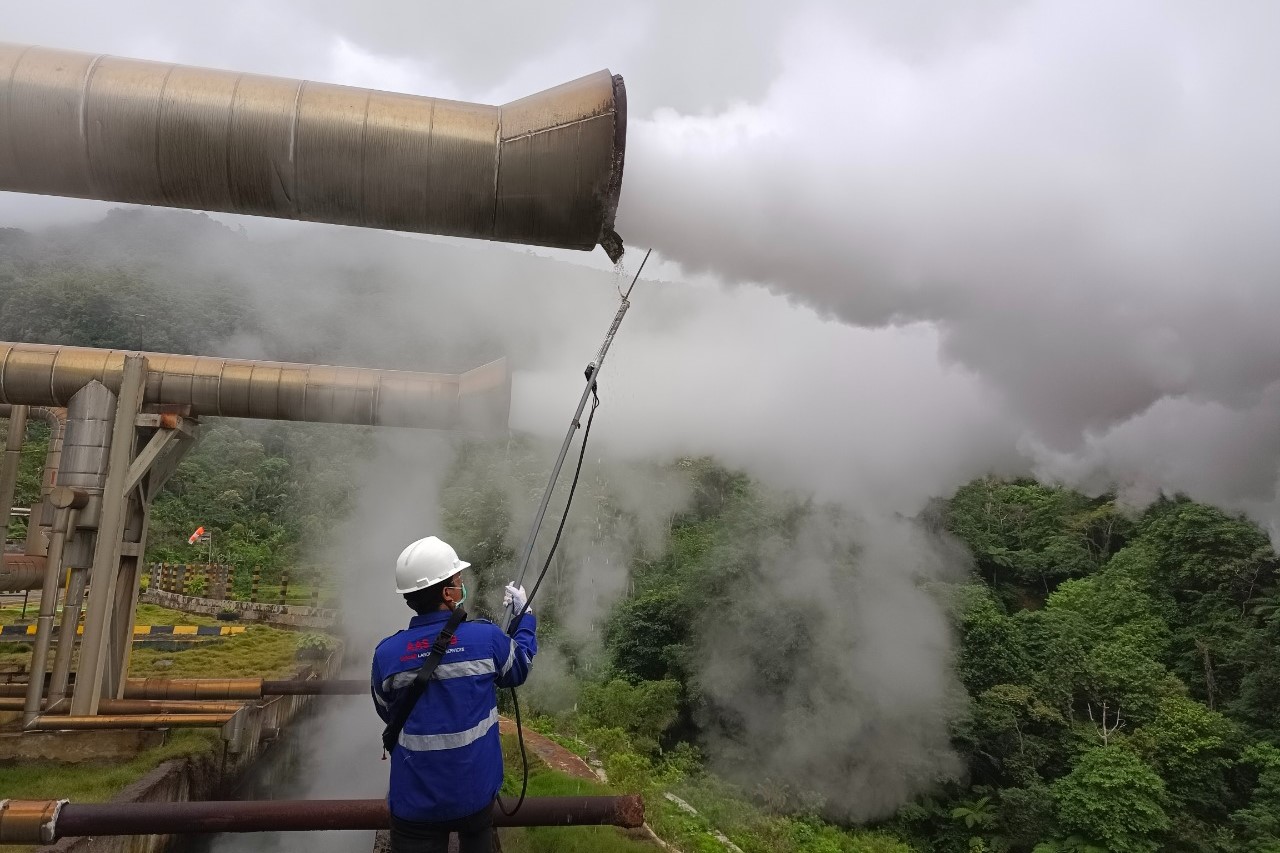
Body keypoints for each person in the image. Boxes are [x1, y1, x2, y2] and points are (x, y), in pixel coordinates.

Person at [372, 535, 537, 853]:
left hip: (414, 803)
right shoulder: (486, 639)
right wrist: (525, 617)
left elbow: (387, 709)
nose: (463, 586)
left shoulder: (387, 654)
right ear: (449, 594)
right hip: (474, 797)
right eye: (458, 580)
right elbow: (520, 666)